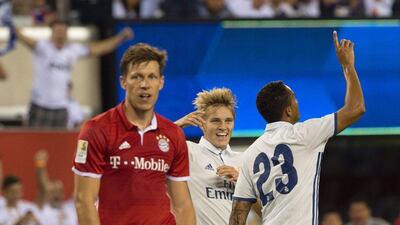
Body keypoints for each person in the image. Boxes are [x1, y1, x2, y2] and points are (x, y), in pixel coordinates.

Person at [228, 31, 366, 225]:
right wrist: (347, 66)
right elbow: (356, 108)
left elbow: (237, 214)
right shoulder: (304, 134)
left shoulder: (251, 153)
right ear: (288, 110)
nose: (298, 102)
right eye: (295, 98)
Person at [72, 43, 196, 225]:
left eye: (152, 77)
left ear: (161, 82)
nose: (144, 85)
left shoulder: (173, 134)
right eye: (137, 77)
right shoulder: (96, 129)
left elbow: (182, 205)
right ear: (123, 81)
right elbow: (84, 201)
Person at [16, 19, 134, 128]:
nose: (60, 34)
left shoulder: (72, 50)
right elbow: (22, 37)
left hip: (61, 108)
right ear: (52, 33)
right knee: (34, 142)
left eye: (63, 31)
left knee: (57, 144)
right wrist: (10, 24)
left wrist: (120, 38)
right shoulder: (42, 47)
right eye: (58, 31)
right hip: (40, 105)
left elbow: (99, 48)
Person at [175, 88, 260, 225]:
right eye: (215, 121)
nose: (223, 127)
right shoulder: (188, 151)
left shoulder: (245, 160)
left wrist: (243, 182)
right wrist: (177, 125)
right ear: (202, 123)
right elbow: (148, 147)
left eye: (228, 121)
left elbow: (263, 212)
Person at [34, 150, 78, 225]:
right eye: (53, 192)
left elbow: (81, 188)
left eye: (59, 191)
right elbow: (42, 186)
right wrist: (40, 164)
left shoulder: (70, 208)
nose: (57, 195)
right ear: (48, 193)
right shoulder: (43, 209)